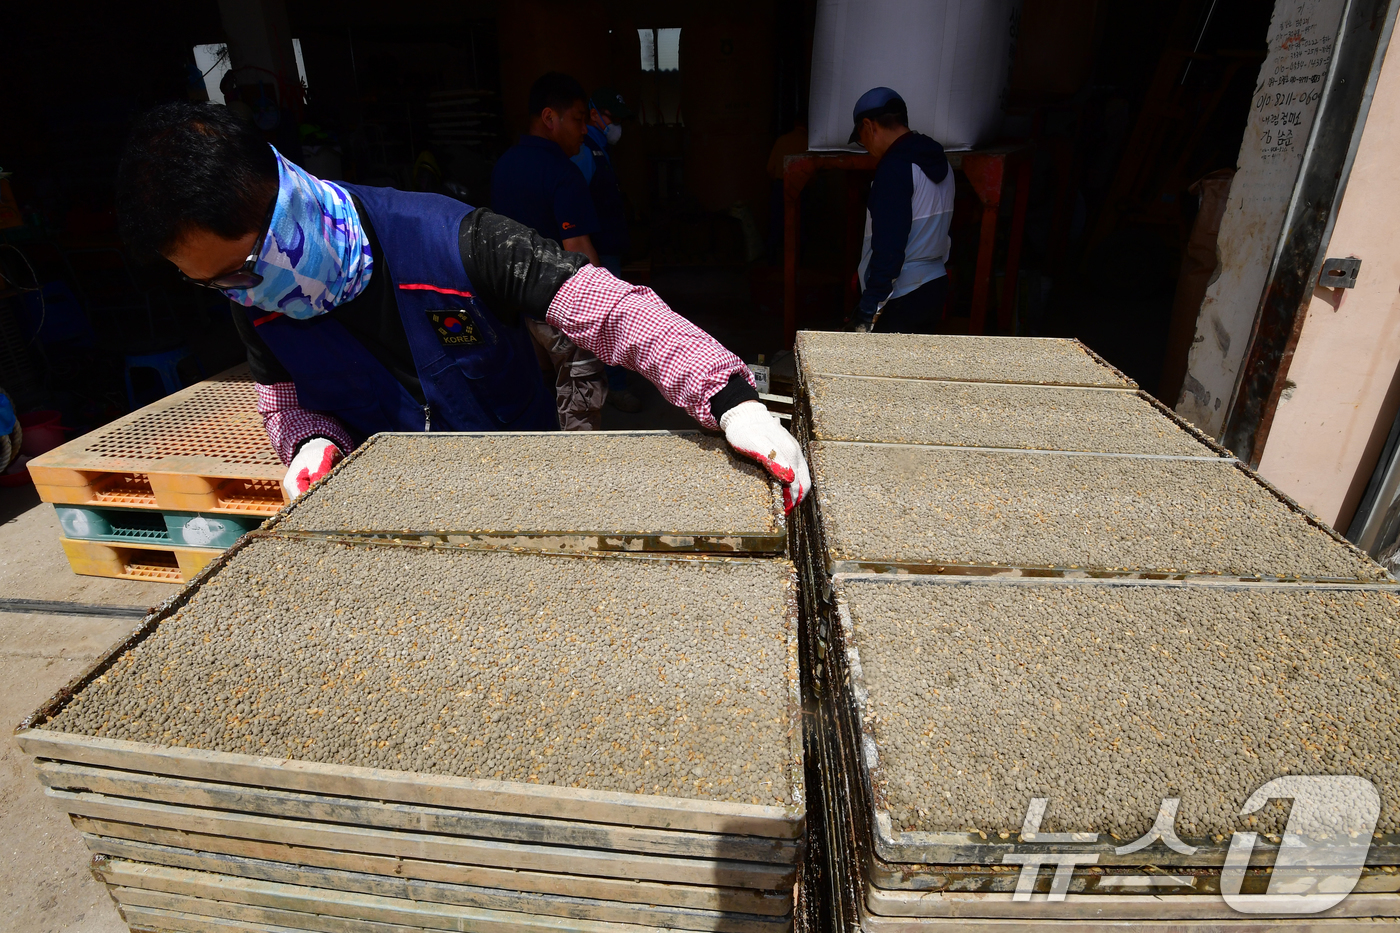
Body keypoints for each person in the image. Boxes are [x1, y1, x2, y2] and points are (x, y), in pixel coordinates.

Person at [115, 102, 810, 510]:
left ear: (281, 206)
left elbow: (612, 308)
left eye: (239, 268)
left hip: (530, 485)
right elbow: (283, 397)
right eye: (211, 284)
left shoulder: (450, 240)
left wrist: (727, 396)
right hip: (404, 505)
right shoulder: (252, 299)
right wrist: (308, 442)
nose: (239, 293)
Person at [848, 87, 954, 334]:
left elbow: (889, 245)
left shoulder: (894, 169)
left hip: (901, 297)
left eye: (861, 138)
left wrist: (868, 308)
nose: (866, 147)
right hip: (934, 286)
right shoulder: (942, 163)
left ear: (869, 126)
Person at [570, 86, 641, 412]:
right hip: (595, 254)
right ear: (593, 113)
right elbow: (574, 207)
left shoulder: (600, 150)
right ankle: (611, 386)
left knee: (611, 318)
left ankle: (611, 382)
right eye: (612, 117)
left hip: (609, 249)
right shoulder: (584, 152)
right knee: (608, 319)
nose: (617, 126)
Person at [491, 73, 601, 265]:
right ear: (549, 118)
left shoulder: (502, 165)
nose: (584, 129)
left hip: (506, 288)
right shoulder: (565, 174)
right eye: (577, 119)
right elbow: (581, 257)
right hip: (552, 292)